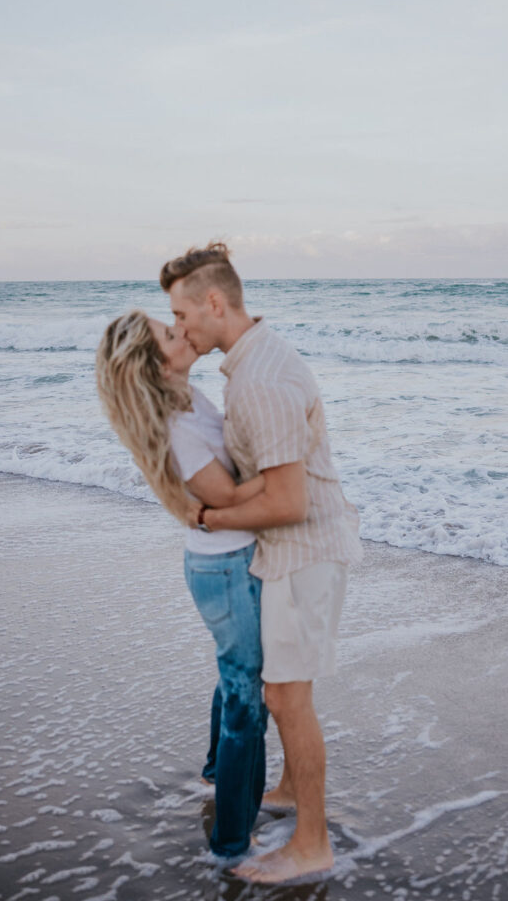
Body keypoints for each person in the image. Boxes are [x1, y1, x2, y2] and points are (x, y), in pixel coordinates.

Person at [160, 242, 362, 884]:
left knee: (286, 697)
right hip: (293, 553)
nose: (181, 328)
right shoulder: (250, 366)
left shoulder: (260, 381)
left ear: (214, 303)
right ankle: (290, 791)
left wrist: (210, 516)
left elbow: (287, 500)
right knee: (286, 690)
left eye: (182, 314)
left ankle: (311, 843)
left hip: (302, 553)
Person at [95, 310, 268, 861]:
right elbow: (227, 498)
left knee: (234, 675)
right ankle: (233, 845)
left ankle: (217, 774)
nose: (184, 332)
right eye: (171, 335)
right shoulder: (179, 428)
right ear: (154, 365)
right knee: (247, 699)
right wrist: (291, 463)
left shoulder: (187, 398)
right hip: (225, 568)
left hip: (224, 562)